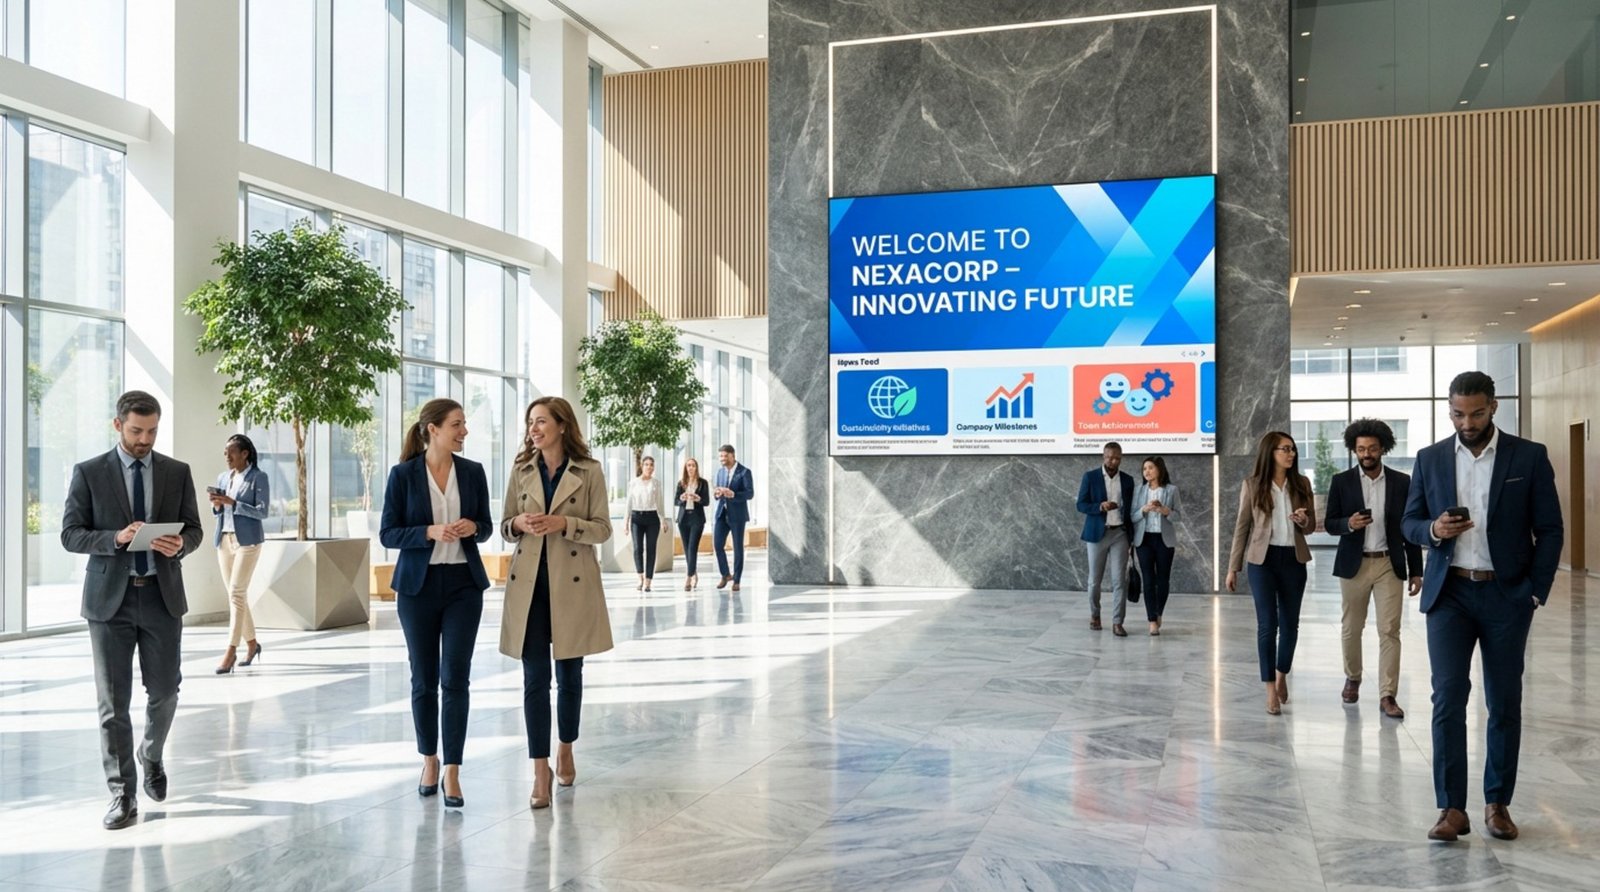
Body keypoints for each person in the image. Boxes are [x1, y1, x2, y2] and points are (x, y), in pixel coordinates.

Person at [1402, 371, 1562, 843]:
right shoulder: (1430, 458)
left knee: (1503, 702)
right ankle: (1452, 808)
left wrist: (1535, 590)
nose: (1465, 422)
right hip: (1448, 593)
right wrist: (1433, 531)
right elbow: (1409, 521)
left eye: (1474, 412)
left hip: (1506, 594)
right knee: (1447, 699)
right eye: (1456, 413)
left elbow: (1550, 529)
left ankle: (1497, 803)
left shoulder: (1528, 457)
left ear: (1493, 407)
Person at [60, 391, 203, 830]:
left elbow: (194, 528)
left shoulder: (176, 472)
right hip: (109, 604)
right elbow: (70, 534)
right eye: (137, 430)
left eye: (152, 431)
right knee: (112, 704)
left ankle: (151, 754)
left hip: (161, 597)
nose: (145, 439)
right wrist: (115, 539)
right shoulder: (89, 473)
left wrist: (182, 544)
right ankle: (122, 794)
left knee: (165, 692)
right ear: (117, 424)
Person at [379, 398, 493, 810]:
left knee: (456, 678)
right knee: (423, 679)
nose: (464, 432)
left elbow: (486, 527)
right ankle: (429, 759)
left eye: (463, 425)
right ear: (433, 429)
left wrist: (471, 528)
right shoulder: (403, 475)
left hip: (464, 585)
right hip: (417, 589)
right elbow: (388, 533)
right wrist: (428, 531)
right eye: (457, 425)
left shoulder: (473, 472)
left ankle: (453, 771)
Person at [500, 396, 614, 810]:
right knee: (534, 681)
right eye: (530, 421)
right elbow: (504, 525)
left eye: (542, 421)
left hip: (573, 586)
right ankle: (539, 769)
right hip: (528, 587)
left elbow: (602, 529)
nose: (534, 428)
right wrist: (517, 523)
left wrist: (565, 523)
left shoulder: (590, 471)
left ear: (563, 425)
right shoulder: (520, 470)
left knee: (569, 677)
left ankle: (566, 747)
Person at [1323, 418, 1423, 719]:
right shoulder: (1341, 481)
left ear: (1383, 449)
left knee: (1389, 630)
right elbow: (1329, 524)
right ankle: (1353, 677)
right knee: (1351, 629)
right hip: (1354, 565)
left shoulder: (1401, 482)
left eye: (1372, 449)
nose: (1367, 454)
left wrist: (1416, 570)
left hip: (1388, 564)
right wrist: (1348, 524)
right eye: (1361, 449)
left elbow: (1410, 529)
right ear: (1354, 450)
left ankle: (1387, 694)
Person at [1226, 431, 1316, 715]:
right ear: (1270, 452)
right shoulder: (1252, 485)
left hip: (1293, 558)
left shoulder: (1301, 483)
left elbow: (1311, 526)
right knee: (1268, 625)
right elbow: (1242, 527)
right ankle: (1269, 689)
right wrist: (1233, 567)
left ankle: (1281, 675)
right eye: (1285, 449)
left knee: (1290, 625)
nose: (1291, 454)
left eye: (1292, 449)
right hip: (1261, 562)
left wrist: (1304, 521)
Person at [209, 433, 270, 675]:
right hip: (224, 539)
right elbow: (220, 512)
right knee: (237, 596)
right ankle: (253, 644)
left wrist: (233, 503)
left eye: (231, 452)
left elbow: (262, 512)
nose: (227, 457)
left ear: (245, 453)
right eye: (225, 453)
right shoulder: (223, 477)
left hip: (248, 542)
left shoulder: (258, 477)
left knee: (236, 593)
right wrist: (217, 506)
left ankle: (231, 650)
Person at [1076, 442, 1135, 636]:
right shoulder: (1090, 477)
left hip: (1119, 533)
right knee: (1095, 581)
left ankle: (1118, 622)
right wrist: (1099, 507)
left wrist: (1132, 537)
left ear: (1121, 458)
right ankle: (1095, 615)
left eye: (1117, 457)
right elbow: (1081, 505)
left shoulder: (1127, 480)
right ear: (1103, 456)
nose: (1113, 461)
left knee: (1119, 581)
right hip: (1096, 534)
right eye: (1110, 457)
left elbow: (1130, 510)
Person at [1131, 456, 1180, 637]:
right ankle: (1152, 620)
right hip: (1144, 540)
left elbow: (1179, 516)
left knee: (1163, 580)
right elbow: (1132, 517)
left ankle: (1159, 612)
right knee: (1148, 580)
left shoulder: (1171, 490)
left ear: (1159, 469)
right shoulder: (1139, 491)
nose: (1147, 472)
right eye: (1144, 469)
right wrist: (1143, 510)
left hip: (1164, 540)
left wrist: (1165, 511)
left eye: (1150, 468)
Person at [712, 444, 753, 592]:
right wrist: (717, 494)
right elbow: (717, 492)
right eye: (720, 456)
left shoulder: (744, 472)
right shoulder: (720, 472)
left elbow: (750, 493)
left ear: (732, 456)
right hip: (721, 514)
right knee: (717, 545)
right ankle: (725, 574)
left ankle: (737, 580)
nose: (722, 459)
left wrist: (733, 494)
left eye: (724, 456)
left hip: (737, 516)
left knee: (737, 548)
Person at [623, 456, 664, 592]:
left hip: (652, 518)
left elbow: (660, 503)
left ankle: (648, 581)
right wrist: (626, 521)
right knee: (637, 549)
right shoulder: (634, 483)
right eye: (646, 464)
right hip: (637, 517)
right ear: (642, 466)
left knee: (651, 549)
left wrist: (663, 520)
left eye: (651, 465)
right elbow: (629, 502)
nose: (649, 467)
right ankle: (640, 576)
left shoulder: (656, 483)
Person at [675, 458, 710, 591]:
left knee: (692, 548)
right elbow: (676, 501)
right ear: (685, 468)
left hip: (697, 519)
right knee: (686, 549)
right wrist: (682, 498)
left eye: (693, 465)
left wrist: (698, 498)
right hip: (683, 519)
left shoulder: (703, 483)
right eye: (688, 466)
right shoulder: (681, 483)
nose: (690, 468)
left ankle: (688, 577)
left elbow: (706, 502)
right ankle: (694, 573)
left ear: (696, 467)